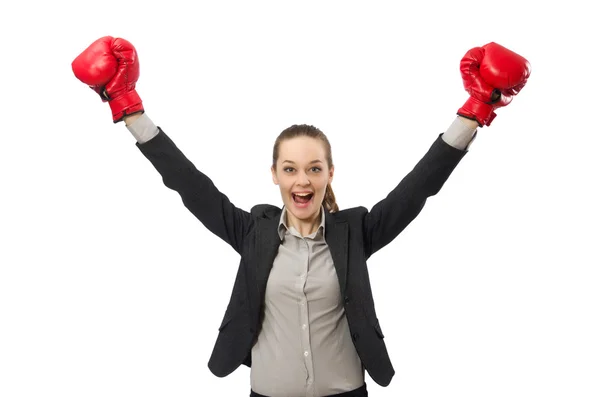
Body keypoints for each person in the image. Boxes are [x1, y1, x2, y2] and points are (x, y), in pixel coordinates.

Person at [71, 37, 530, 397]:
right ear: (275, 175)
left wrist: (475, 110)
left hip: (347, 393)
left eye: (314, 168)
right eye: (290, 169)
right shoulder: (251, 232)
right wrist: (129, 107)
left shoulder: (356, 233)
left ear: (330, 174)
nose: (302, 180)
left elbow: (419, 187)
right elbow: (188, 184)